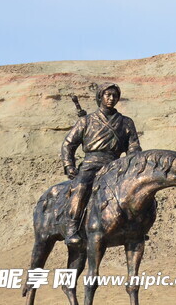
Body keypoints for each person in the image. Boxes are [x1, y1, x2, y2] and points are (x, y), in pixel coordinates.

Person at [60, 83, 142, 246]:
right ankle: (72, 227)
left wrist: (134, 160)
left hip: (116, 165)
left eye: (114, 96)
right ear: (100, 96)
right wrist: (69, 166)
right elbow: (68, 144)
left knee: (138, 190)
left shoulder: (126, 122)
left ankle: (136, 227)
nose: (111, 98)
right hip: (91, 164)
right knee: (81, 187)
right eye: (108, 95)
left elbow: (133, 146)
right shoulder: (87, 121)